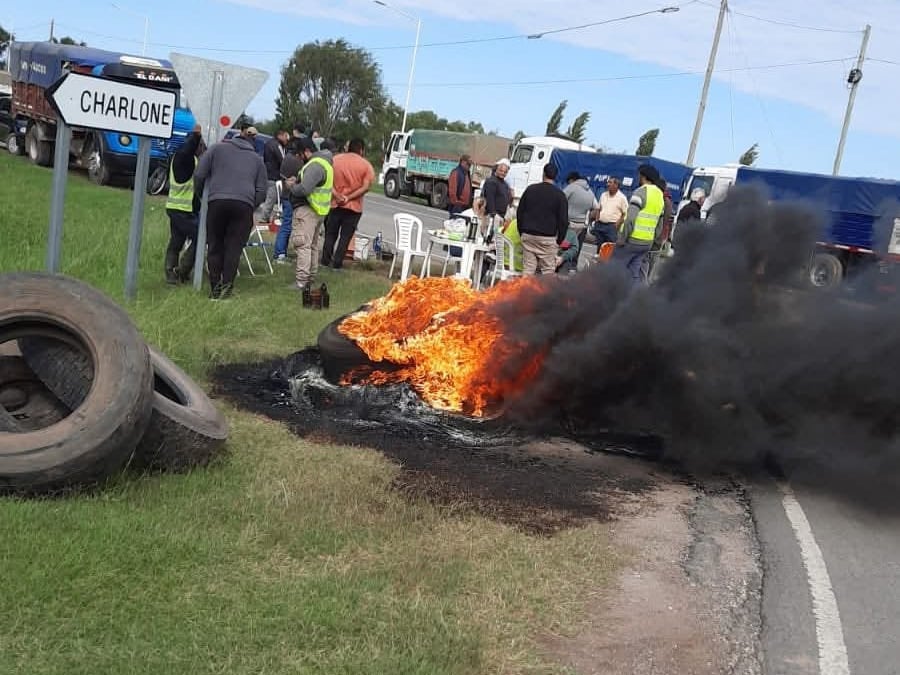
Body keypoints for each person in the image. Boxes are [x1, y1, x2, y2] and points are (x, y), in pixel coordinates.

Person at [193, 127, 267, 299]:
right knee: (234, 248)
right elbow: (262, 192)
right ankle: (227, 289)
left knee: (215, 245)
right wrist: (250, 204)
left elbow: (199, 174)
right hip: (244, 206)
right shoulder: (257, 160)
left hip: (217, 202)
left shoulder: (216, 149)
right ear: (252, 143)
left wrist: (201, 196)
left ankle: (214, 289)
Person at [287, 137, 334, 290]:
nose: (299, 159)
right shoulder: (325, 164)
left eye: (300, 155)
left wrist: (292, 186)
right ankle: (310, 277)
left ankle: (301, 281)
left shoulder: (315, 166)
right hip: (319, 211)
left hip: (307, 210)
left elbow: (304, 189)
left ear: (306, 151)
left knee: (303, 245)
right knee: (312, 246)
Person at [321, 137, 375, 269]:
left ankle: (325, 260)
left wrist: (337, 195)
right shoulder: (366, 165)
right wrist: (349, 198)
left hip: (335, 204)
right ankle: (337, 263)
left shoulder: (335, 160)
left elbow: (326, 180)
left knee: (330, 234)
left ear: (348, 147)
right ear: (361, 150)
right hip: (353, 207)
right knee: (345, 237)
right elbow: (366, 187)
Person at [163, 124, 205, 285]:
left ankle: (171, 274)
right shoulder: (184, 158)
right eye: (199, 146)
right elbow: (188, 150)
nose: (201, 148)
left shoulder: (178, 158)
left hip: (175, 207)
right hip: (183, 209)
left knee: (176, 241)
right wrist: (197, 136)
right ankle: (182, 270)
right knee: (201, 238)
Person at [615, 164, 665, 285]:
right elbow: (660, 224)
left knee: (615, 269)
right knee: (634, 274)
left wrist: (622, 238)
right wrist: (652, 240)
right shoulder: (660, 195)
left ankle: (610, 298)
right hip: (646, 243)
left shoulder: (640, 192)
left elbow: (630, 219)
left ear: (643, 177)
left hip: (632, 240)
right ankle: (636, 300)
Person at [516, 163, 569, 275]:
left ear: (543, 173)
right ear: (555, 176)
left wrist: (522, 232)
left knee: (528, 270)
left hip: (528, 235)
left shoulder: (530, 190)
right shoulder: (560, 195)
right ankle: (545, 293)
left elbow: (519, 212)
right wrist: (559, 240)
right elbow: (563, 221)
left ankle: (523, 292)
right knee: (548, 271)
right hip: (547, 239)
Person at [273, 140, 304, 263]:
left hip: (286, 195)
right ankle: (279, 253)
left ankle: (281, 252)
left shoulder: (287, 158)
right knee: (286, 225)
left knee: (286, 224)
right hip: (290, 196)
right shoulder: (297, 162)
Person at [562, 171, 598, 264]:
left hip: (569, 224)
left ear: (572, 180)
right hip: (581, 226)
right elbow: (597, 207)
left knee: (564, 245)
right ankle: (572, 266)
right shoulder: (590, 192)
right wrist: (589, 219)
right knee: (575, 246)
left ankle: (561, 264)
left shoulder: (572, 187)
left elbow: (560, 199)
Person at [258, 129, 289, 223]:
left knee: (272, 197)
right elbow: (282, 159)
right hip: (274, 176)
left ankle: (266, 217)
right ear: (280, 135)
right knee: (272, 197)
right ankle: (264, 217)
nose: (286, 139)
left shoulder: (269, 143)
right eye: (285, 136)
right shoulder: (277, 145)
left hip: (269, 173)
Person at [591, 176, 629, 246]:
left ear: (616, 185)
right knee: (599, 245)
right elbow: (598, 209)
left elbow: (625, 214)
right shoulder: (603, 195)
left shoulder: (622, 198)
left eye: (610, 182)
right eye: (608, 182)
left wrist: (616, 225)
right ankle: (598, 256)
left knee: (609, 247)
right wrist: (596, 221)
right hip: (600, 224)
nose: (607, 184)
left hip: (611, 227)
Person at [483, 158, 513, 228]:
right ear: (496, 169)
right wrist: (493, 214)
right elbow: (490, 199)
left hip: (501, 217)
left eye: (505, 172)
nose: (503, 173)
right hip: (493, 216)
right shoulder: (491, 182)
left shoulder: (505, 184)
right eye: (501, 171)